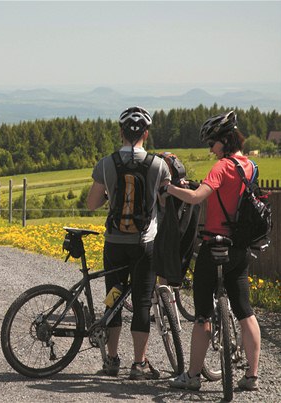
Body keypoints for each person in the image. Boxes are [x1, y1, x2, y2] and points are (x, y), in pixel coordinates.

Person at [167, 111, 261, 391]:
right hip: (240, 248)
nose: (210, 149)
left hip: (214, 246)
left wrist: (170, 188)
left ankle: (193, 376)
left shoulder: (221, 167)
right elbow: (225, 193)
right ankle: (252, 377)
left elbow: (197, 199)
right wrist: (196, 186)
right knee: (245, 311)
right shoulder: (250, 165)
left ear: (225, 140)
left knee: (203, 314)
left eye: (212, 143)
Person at [87, 106, 171, 379]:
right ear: (146, 133)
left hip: (114, 243)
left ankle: (111, 360)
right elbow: (164, 202)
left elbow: (91, 204)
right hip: (143, 245)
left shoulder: (106, 163)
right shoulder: (159, 165)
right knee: (142, 302)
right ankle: (139, 364)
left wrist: (111, 198)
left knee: (113, 299)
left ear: (121, 132)